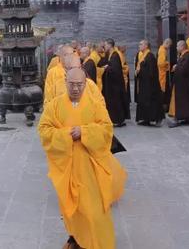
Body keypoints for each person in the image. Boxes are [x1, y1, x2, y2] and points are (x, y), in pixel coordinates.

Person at [38, 67, 127, 249]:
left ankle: (98, 243)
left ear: (86, 84)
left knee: (95, 211)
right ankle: (76, 239)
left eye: (79, 85)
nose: (76, 89)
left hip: (90, 168)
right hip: (68, 168)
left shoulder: (95, 105)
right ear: (65, 83)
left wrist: (85, 132)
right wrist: (66, 135)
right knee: (73, 210)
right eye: (72, 85)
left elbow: (106, 128)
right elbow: (44, 130)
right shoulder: (54, 106)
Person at [168, 41, 189, 127]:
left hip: (186, 84)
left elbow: (184, 69)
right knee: (184, 101)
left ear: (182, 47)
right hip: (182, 84)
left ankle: (186, 117)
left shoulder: (188, 55)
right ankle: (185, 117)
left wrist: (176, 67)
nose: (176, 48)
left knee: (185, 101)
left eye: (177, 46)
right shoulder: (183, 55)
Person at [135, 40, 163, 126]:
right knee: (143, 101)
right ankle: (145, 119)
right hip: (144, 84)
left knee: (151, 101)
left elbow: (151, 72)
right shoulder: (143, 56)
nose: (139, 45)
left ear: (146, 46)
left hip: (150, 85)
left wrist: (139, 71)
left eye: (141, 44)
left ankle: (154, 119)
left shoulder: (150, 56)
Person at [101, 39, 127, 127]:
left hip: (116, 84)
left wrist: (107, 67)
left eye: (105, 44)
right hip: (112, 84)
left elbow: (115, 69)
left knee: (116, 102)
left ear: (110, 45)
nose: (104, 46)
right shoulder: (110, 55)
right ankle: (116, 120)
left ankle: (119, 120)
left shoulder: (115, 55)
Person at [156, 38, 173, 112]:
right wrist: (167, 63)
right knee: (163, 90)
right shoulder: (162, 50)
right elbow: (161, 63)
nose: (169, 48)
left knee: (164, 90)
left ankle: (163, 107)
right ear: (167, 43)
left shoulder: (162, 49)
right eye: (169, 45)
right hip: (162, 73)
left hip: (162, 73)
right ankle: (162, 108)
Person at [117, 45, 131, 120]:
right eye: (124, 47)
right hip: (123, 77)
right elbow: (121, 66)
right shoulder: (119, 54)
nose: (125, 48)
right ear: (120, 48)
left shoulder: (122, 54)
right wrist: (127, 68)